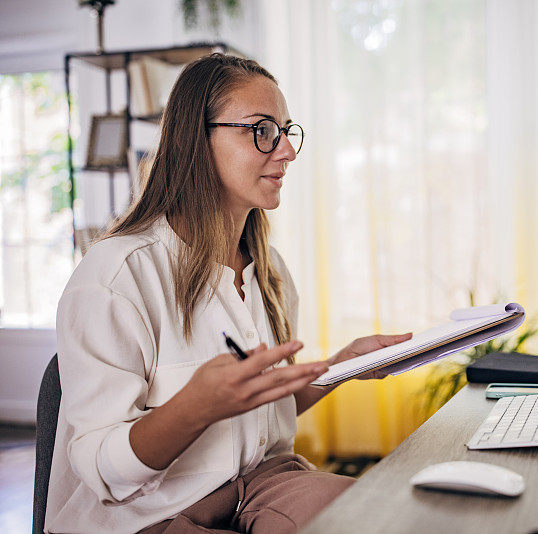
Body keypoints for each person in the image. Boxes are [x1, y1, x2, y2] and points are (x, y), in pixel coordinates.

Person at [46, 53, 412, 534]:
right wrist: (196, 406)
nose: (287, 152)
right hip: (145, 511)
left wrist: (345, 365)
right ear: (196, 140)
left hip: (258, 482)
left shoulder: (271, 271)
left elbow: (261, 410)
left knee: (383, 516)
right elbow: (101, 471)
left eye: (286, 131)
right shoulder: (115, 277)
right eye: (262, 131)